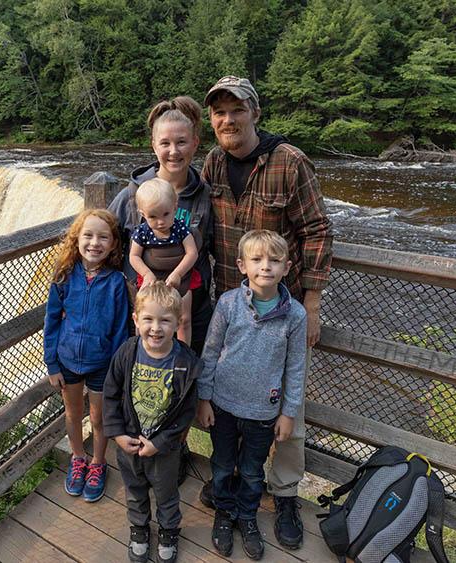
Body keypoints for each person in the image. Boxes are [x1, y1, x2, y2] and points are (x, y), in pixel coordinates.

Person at [201, 75, 333, 550]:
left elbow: (317, 230)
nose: (227, 120)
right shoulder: (213, 163)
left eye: (236, 110)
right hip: (230, 308)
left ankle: (285, 492)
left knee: (285, 405)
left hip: (282, 313)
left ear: (255, 113)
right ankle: (232, 481)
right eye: (219, 112)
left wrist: (312, 302)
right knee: (232, 399)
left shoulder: (288, 162)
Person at [197, 230, 307, 560]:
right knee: (222, 465)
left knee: (251, 470)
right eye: (257, 260)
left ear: (286, 267)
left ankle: (247, 517)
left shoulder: (295, 315)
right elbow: (211, 351)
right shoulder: (229, 304)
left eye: (274, 260)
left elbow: (296, 367)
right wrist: (204, 398)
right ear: (242, 266)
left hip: (263, 410)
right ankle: (224, 514)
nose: (266, 267)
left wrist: (288, 412)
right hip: (223, 405)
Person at [103, 282, 202, 563]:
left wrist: (160, 443)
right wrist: (118, 435)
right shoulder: (127, 353)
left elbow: (186, 411)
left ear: (178, 323)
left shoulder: (184, 362)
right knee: (134, 490)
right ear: (136, 320)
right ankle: (139, 528)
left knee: (166, 492)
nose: (155, 328)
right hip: (129, 442)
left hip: (164, 448)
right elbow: (110, 395)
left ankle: (169, 530)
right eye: (148, 319)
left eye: (165, 321)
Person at [108, 96, 214, 354]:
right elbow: (100, 244)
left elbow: (214, 250)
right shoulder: (132, 196)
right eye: (165, 143)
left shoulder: (205, 197)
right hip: (142, 317)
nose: (173, 151)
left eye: (181, 142)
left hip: (190, 315)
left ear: (195, 143)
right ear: (154, 145)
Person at [43, 208, 130, 503]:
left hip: (101, 364)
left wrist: (116, 369)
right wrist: (51, 362)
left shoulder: (116, 282)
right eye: (88, 235)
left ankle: (97, 462)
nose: (95, 243)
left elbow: (121, 329)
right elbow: (52, 320)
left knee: (99, 417)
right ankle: (78, 458)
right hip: (67, 361)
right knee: (72, 412)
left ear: (113, 243)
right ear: (76, 239)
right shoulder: (64, 276)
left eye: (103, 237)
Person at [129, 178, 199, 344]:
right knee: (144, 316)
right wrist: (146, 274)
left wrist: (178, 274)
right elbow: (134, 256)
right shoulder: (143, 232)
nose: (160, 222)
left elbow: (192, 253)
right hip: (152, 278)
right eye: (153, 216)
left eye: (166, 214)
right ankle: (142, 348)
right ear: (142, 214)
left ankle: (183, 351)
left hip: (179, 278)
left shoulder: (180, 228)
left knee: (184, 319)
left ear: (175, 207)